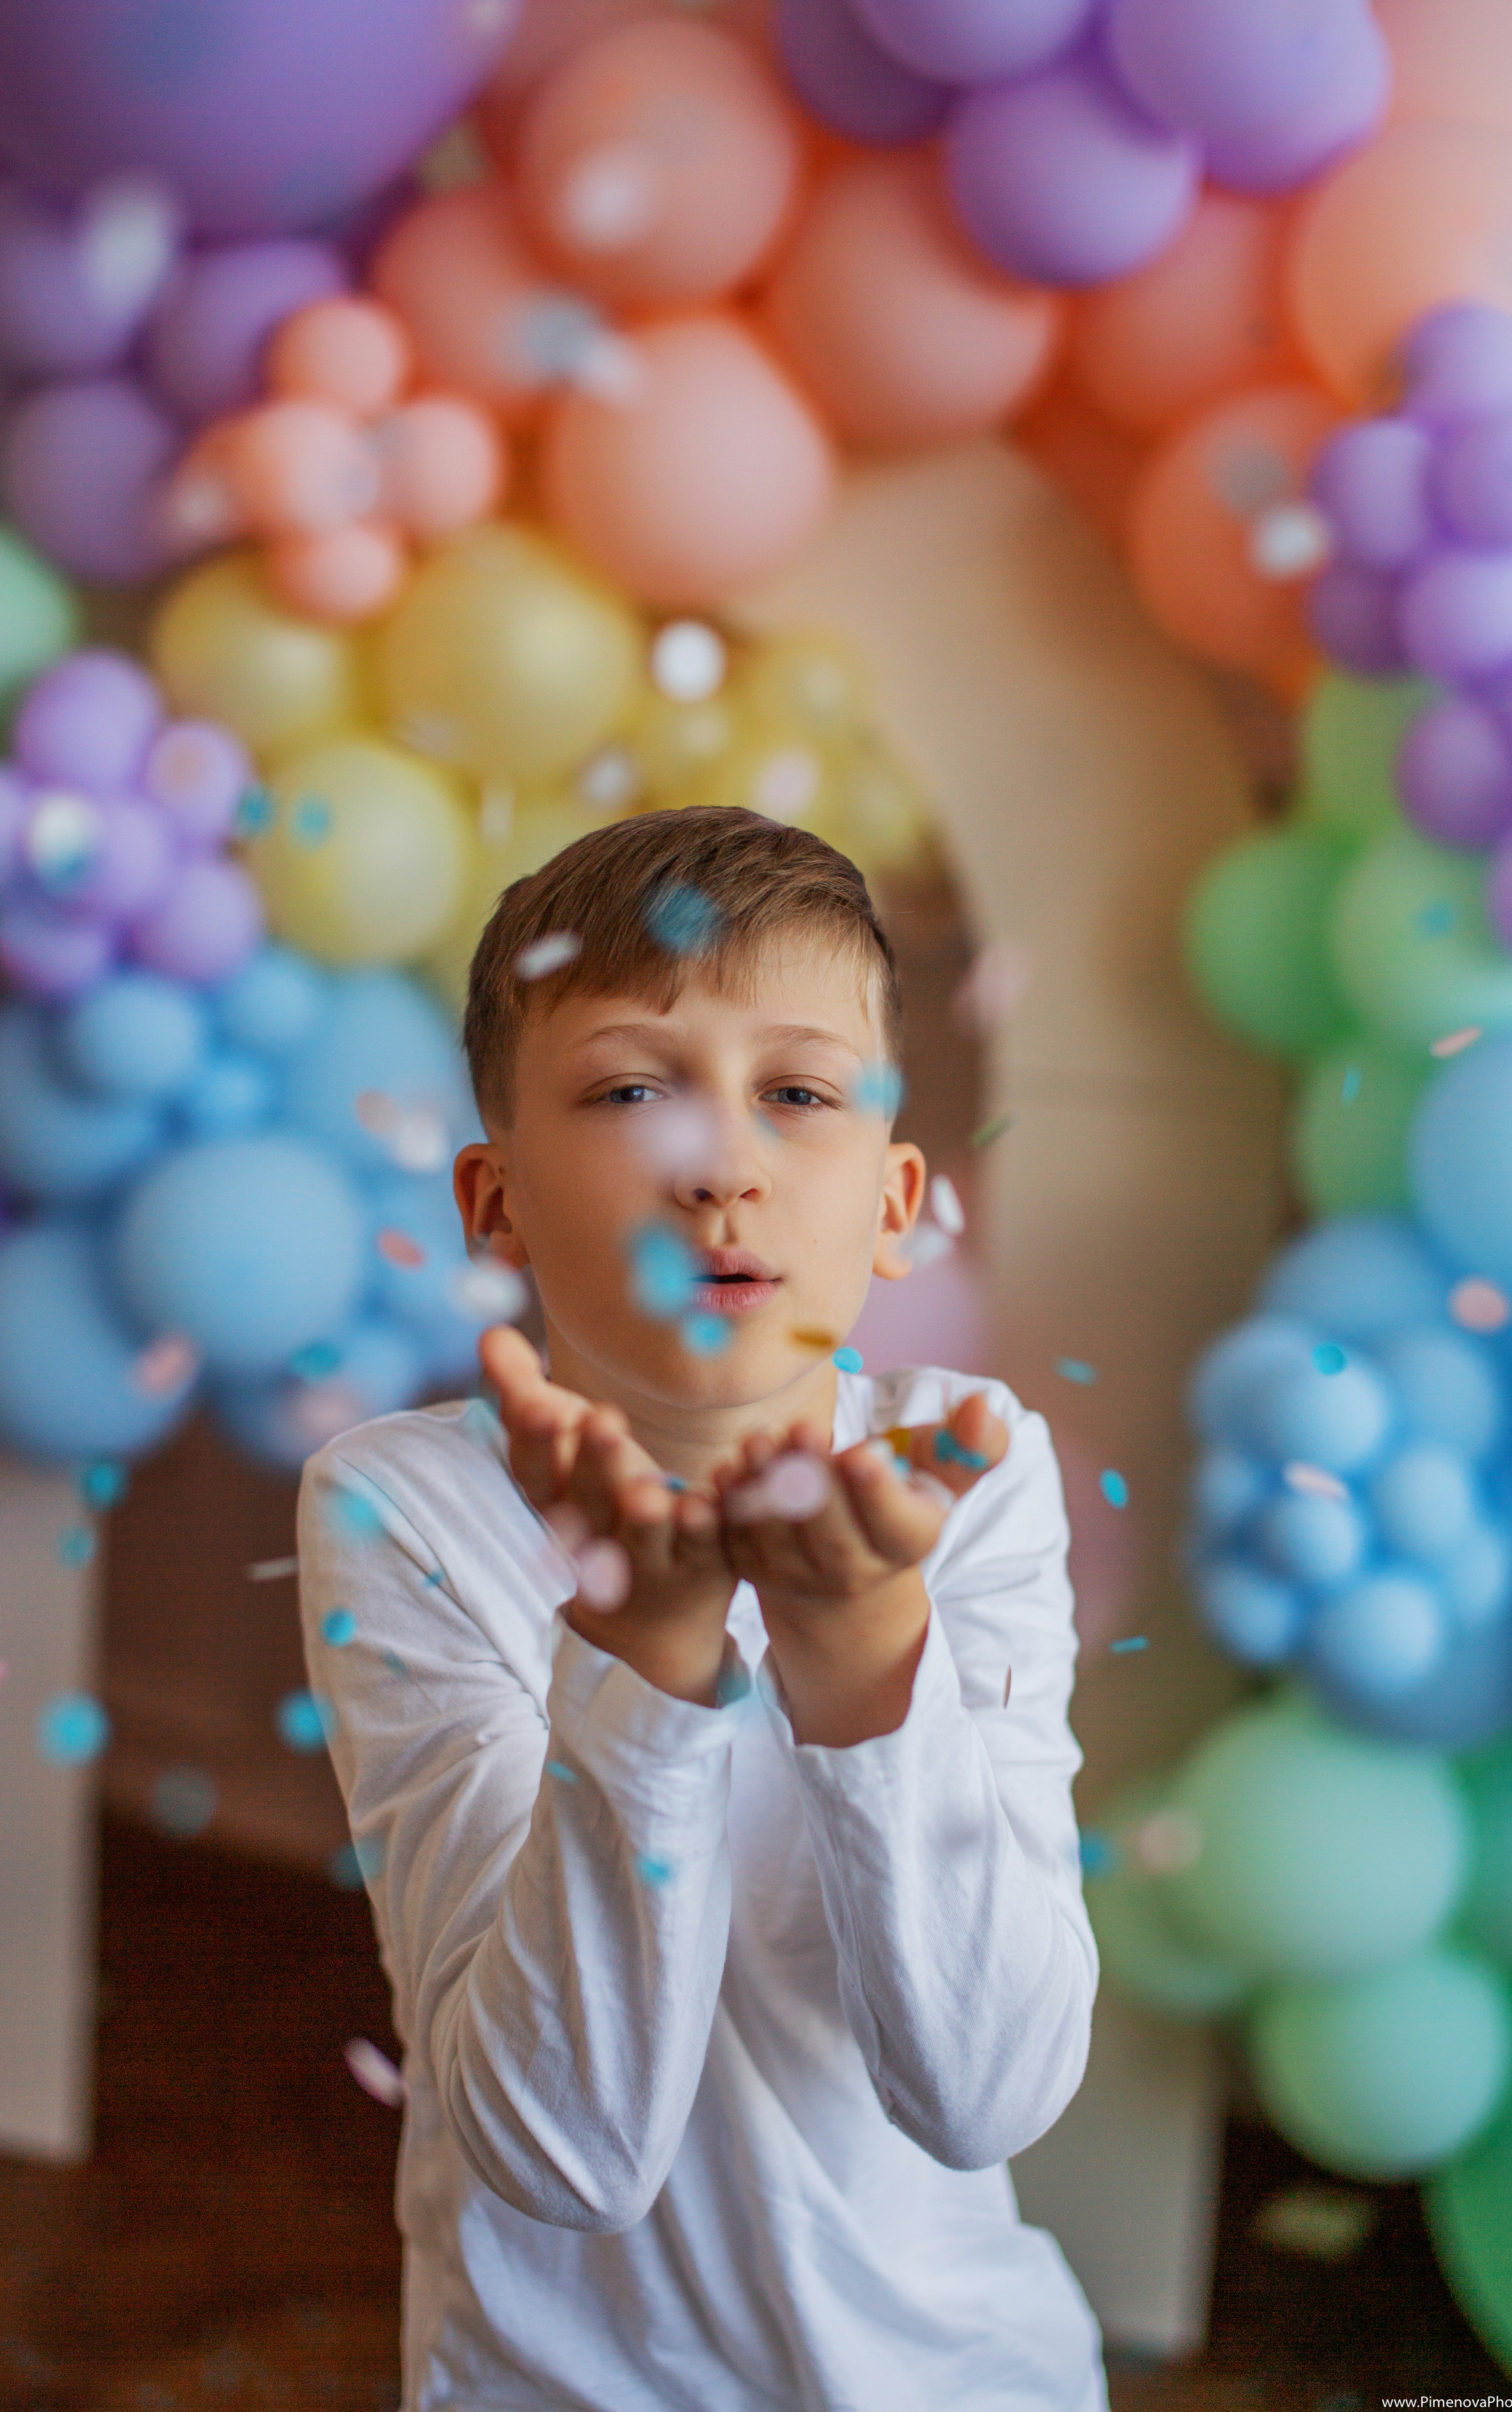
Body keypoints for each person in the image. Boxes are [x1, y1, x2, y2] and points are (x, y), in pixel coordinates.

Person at [297, 804, 1106, 2412]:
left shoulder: (967, 1480)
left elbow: (985, 2096)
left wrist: (866, 1657)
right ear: (496, 1199)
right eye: (627, 1090)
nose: (722, 1164)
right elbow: (558, 2154)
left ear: (891, 1203)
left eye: (795, 1094)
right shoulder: (404, 1506)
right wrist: (640, 1660)